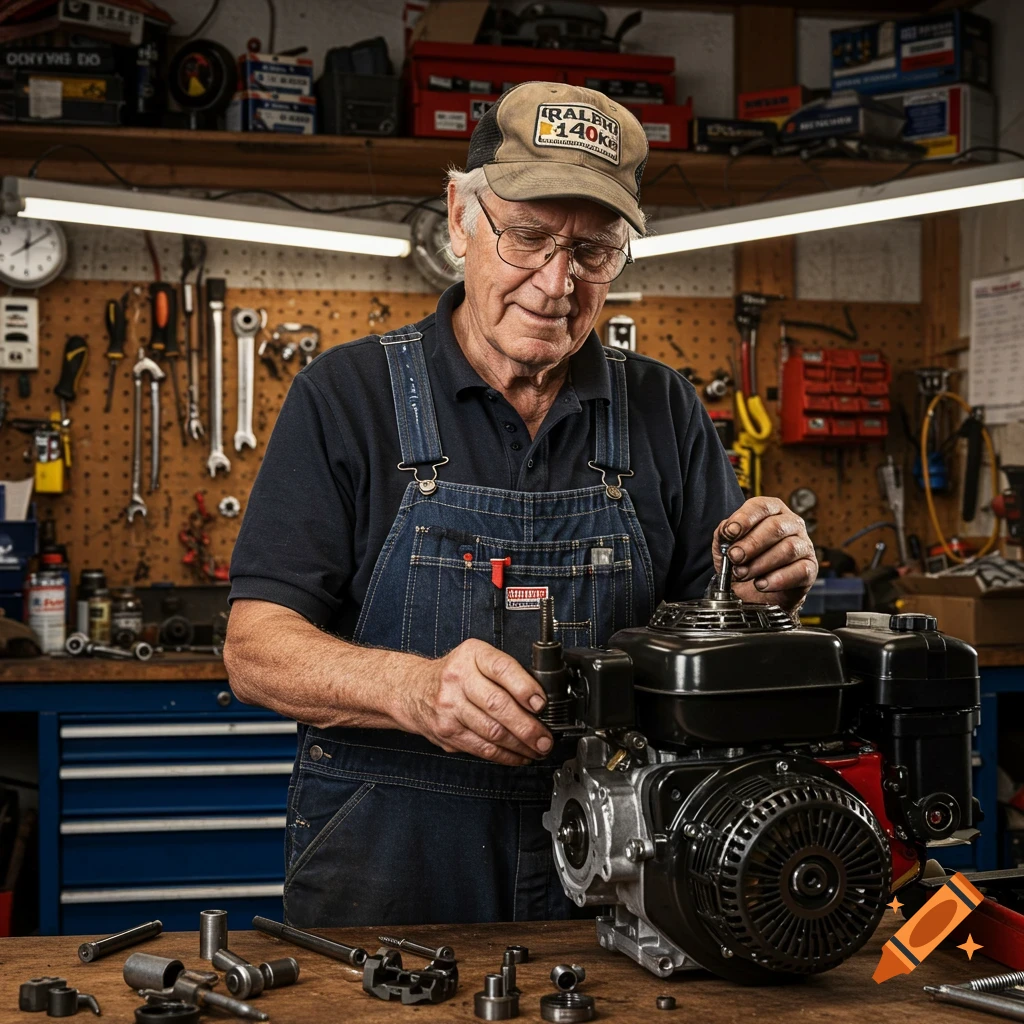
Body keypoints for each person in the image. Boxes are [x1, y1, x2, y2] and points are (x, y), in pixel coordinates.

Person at [224, 81, 817, 927]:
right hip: (392, 866)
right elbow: (254, 651)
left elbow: (713, 639)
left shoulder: (664, 410)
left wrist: (763, 593)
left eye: (594, 250)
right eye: (529, 237)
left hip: (617, 866)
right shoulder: (345, 396)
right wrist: (415, 689)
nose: (557, 281)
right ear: (460, 216)